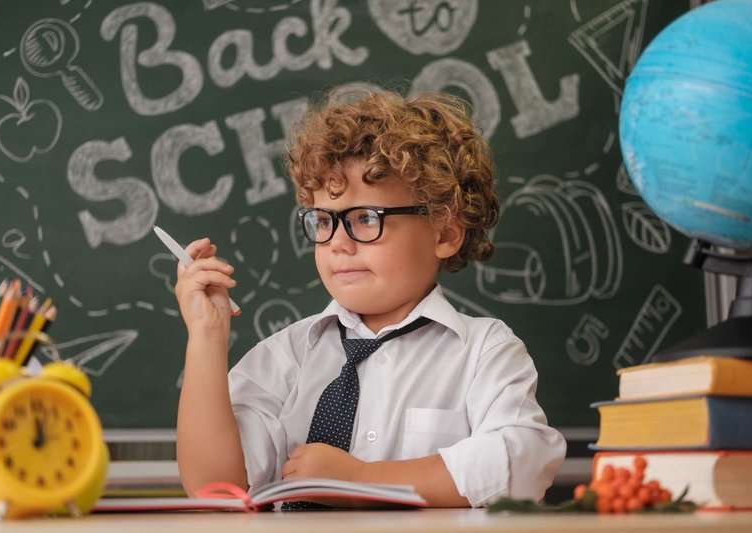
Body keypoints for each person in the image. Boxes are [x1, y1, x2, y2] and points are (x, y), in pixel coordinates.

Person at [175, 90, 565, 508]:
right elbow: (214, 488)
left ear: (444, 233)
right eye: (324, 220)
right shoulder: (286, 358)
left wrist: (363, 481)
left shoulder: (483, 350)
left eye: (366, 218)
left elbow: (522, 462)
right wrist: (206, 336)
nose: (339, 243)